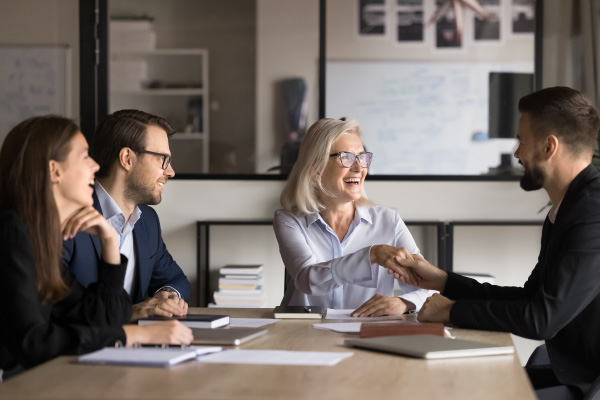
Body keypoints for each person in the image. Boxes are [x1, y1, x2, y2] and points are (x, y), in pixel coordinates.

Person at [389, 87, 600, 399]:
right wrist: (443, 281)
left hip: (588, 383)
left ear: (548, 146)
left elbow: (542, 320)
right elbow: (529, 299)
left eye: (521, 141)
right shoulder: (567, 210)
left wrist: (452, 311)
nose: (517, 154)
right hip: (569, 370)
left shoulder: (591, 215)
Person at [0, 116, 193, 379]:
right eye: (84, 157)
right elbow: (33, 342)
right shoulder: (13, 231)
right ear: (55, 171)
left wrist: (109, 244)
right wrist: (135, 333)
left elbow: (103, 318)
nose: (94, 165)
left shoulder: (37, 234)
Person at [273, 118, 434, 316]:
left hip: (366, 334)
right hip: (303, 332)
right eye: (346, 157)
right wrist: (372, 255)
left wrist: (403, 303)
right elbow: (307, 280)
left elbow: (426, 287)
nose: (359, 168)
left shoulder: (388, 221)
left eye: (362, 157)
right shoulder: (289, 220)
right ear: (316, 168)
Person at [63, 110, 190, 321]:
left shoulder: (147, 221)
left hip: (134, 347)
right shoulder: (68, 218)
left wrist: (166, 297)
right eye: (163, 160)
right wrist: (131, 313)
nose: (170, 172)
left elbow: (176, 279)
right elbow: (57, 312)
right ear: (127, 158)